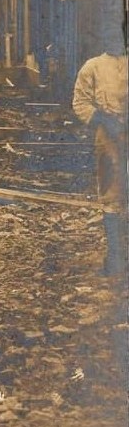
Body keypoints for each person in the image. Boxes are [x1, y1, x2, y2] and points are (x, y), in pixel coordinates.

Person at [72, 38, 128, 276]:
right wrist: (105, 121)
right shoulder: (92, 66)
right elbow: (80, 103)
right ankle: (115, 258)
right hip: (108, 139)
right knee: (111, 193)